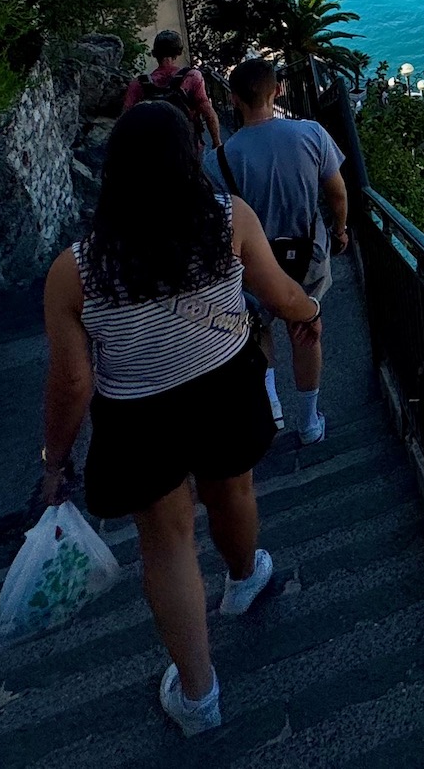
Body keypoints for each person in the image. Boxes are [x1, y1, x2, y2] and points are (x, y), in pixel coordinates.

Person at [38, 100, 317, 736]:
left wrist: (55, 461)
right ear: (191, 158)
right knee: (234, 490)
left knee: (166, 539)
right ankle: (245, 579)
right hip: (225, 385)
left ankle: (198, 696)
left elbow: (73, 381)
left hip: (139, 412)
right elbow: (280, 294)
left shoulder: (75, 271)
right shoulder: (228, 221)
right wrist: (309, 315)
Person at [206, 58, 346, 446]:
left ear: (233, 100)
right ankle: (310, 421)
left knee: (259, 327)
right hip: (309, 255)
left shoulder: (217, 161)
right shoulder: (312, 135)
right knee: (305, 330)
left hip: (251, 265)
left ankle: (271, 404)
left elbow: (221, 220)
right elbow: (337, 193)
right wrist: (340, 228)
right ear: (279, 91)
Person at [126, 30, 224, 150]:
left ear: (155, 54)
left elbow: (125, 118)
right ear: (178, 52)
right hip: (186, 147)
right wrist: (217, 143)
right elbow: (208, 113)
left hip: (152, 148)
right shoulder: (192, 77)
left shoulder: (139, 83)